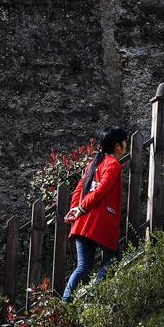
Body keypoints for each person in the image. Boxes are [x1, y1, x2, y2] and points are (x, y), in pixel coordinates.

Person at [62, 126, 128, 302]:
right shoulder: (113, 164)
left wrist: (75, 209)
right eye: (124, 141)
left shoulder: (94, 163)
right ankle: (94, 294)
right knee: (113, 259)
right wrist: (81, 209)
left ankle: (64, 303)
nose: (126, 144)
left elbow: (79, 188)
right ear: (117, 146)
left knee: (83, 267)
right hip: (100, 221)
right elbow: (101, 190)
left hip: (83, 222)